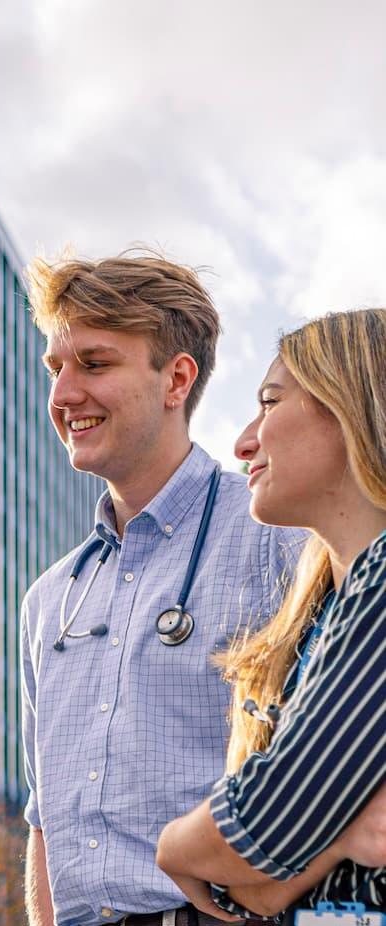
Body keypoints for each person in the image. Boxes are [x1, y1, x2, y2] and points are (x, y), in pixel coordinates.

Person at [19, 252, 305, 926]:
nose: (63, 395)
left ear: (176, 379)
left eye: (94, 364)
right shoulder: (48, 600)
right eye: (56, 370)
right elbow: (44, 819)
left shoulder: (278, 538)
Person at [156, 308, 386, 921]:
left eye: (270, 402)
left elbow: (261, 825)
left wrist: (174, 848)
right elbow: (251, 888)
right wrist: (336, 836)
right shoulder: (321, 617)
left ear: (348, 405)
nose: (243, 442)